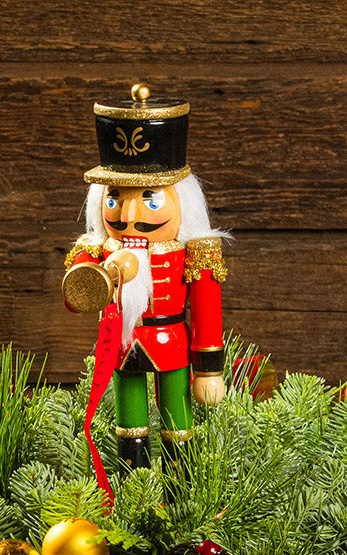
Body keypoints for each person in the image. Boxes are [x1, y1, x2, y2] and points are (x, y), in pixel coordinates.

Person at [63, 83, 228, 496]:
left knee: (178, 426)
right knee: (129, 424)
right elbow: (76, 294)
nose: (130, 215)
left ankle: (182, 492)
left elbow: (207, 309)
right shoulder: (97, 250)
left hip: (171, 343)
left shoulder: (194, 251)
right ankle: (133, 492)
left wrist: (209, 371)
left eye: (150, 199)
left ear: (181, 202)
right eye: (115, 198)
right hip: (121, 345)